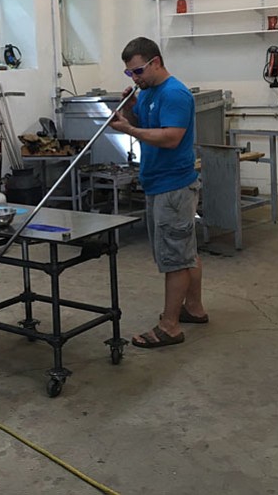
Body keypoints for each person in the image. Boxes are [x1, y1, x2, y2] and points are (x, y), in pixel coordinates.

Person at [110, 36, 207, 348]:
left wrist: (130, 131)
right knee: (184, 250)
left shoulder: (175, 94)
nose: (135, 78)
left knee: (174, 258)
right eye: (130, 74)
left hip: (173, 187)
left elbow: (171, 138)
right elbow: (146, 123)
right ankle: (193, 308)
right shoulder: (150, 93)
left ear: (155, 62)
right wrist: (130, 111)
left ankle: (170, 326)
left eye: (138, 71)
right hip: (158, 183)